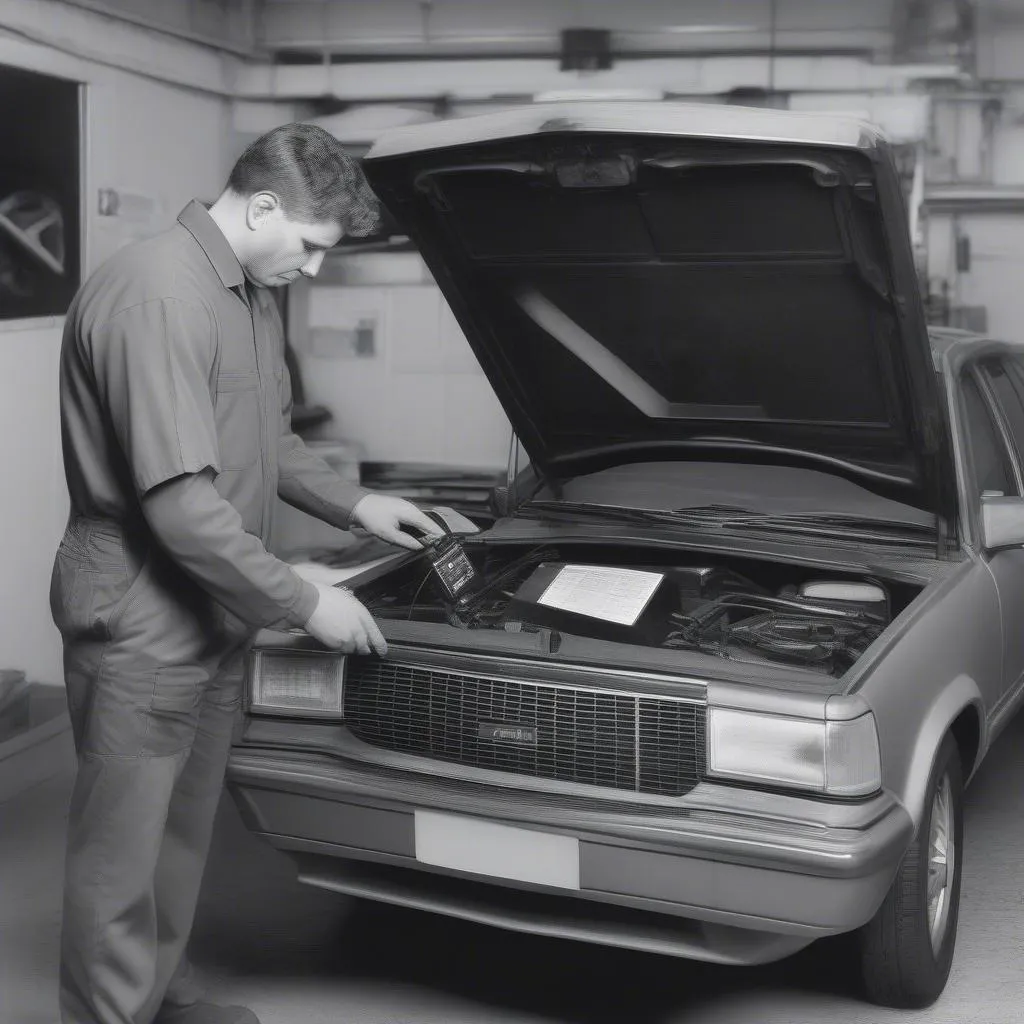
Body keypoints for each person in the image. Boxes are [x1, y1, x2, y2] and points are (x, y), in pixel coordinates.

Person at [51, 123, 444, 1024]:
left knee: (181, 834)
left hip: (215, 613)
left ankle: (157, 993)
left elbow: (269, 442)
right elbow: (180, 507)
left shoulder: (248, 290)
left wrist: (356, 506)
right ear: (262, 206)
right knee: (120, 851)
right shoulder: (159, 298)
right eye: (309, 248)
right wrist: (310, 602)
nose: (312, 271)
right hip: (144, 619)